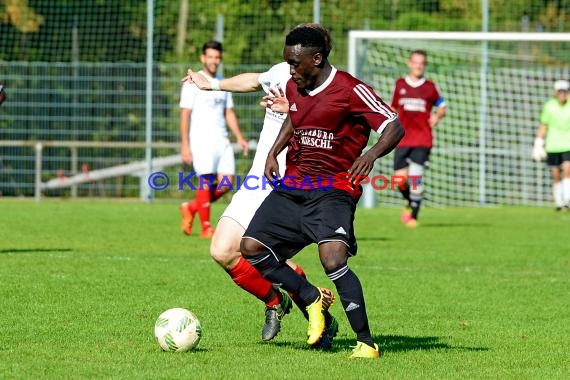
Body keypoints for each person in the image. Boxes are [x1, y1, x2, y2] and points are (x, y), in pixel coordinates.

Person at [240, 26, 404, 359]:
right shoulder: (294, 85)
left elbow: (393, 125)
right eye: (287, 62)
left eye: (295, 63)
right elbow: (295, 118)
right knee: (251, 247)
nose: (290, 70)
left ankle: (366, 342)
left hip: (334, 189)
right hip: (294, 186)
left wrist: (370, 154)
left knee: (333, 258)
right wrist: (274, 151)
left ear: (316, 58)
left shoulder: (350, 89)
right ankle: (312, 299)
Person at [183, 25, 338, 347]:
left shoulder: (334, 90)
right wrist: (212, 84)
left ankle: (318, 318)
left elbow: (334, 133)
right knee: (222, 250)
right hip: (258, 179)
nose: (293, 62)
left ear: (318, 56)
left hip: (292, 185)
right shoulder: (283, 72)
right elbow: (255, 79)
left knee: (264, 254)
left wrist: (294, 111)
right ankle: (276, 302)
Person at [179, 40, 249, 238]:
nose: (214, 60)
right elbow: (184, 114)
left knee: (227, 183)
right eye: (210, 56)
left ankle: (191, 208)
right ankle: (206, 227)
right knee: (206, 180)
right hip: (201, 140)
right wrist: (185, 144)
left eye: (217, 57)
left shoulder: (220, 82)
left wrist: (239, 137)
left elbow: (229, 112)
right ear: (203, 58)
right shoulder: (193, 82)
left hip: (222, 140)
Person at [391, 50, 446, 228]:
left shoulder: (430, 87)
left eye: (421, 63)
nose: (418, 66)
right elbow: (393, 108)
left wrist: (437, 116)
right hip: (402, 139)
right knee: (400, 180)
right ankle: (410, 201)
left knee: (415, 178)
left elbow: (442, 106)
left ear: (424, 65)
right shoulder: (399, 84)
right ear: (409, 63)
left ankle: (413, 215)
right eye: (415, 62)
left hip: (422, 140)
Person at [533, 79, 570, 210]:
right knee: (555, 173)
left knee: (567, 169)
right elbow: (544, 125)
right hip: (553, 145)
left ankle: (567, 199)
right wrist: (538, 143)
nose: (562, 94)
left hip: (568, 144)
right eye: (559, 92)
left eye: (564, 92)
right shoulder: (549, 106)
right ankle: (559, 202)